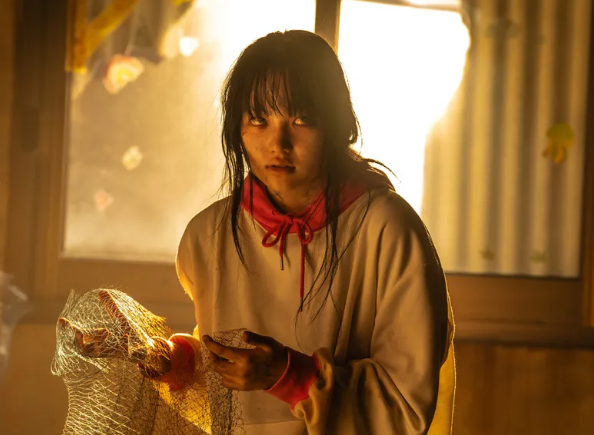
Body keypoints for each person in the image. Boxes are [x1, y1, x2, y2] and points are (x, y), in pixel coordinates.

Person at [63, 30, 455, 435]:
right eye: (258, 119)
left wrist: (289, 375)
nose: (277, 143)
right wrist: (167, 359)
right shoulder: (207, 237)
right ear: (237, 127)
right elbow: (228, 395)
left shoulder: (388, 230)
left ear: (338, 125)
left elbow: (405, 405)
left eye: (302, 119)